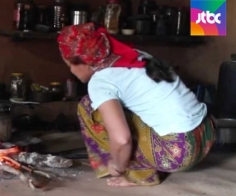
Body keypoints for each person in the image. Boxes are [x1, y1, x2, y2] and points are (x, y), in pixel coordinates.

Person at [57, 23, 215, 187]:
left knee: (88, 107)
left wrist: (118, 165)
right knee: (119, 108)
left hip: (179, 153)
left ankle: (138, 173)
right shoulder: (135, 55)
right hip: (206, 135)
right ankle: (145, 159)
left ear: (85, 63)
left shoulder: (101, 81)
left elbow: (122, 139)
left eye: (70, 66)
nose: (71, 71)